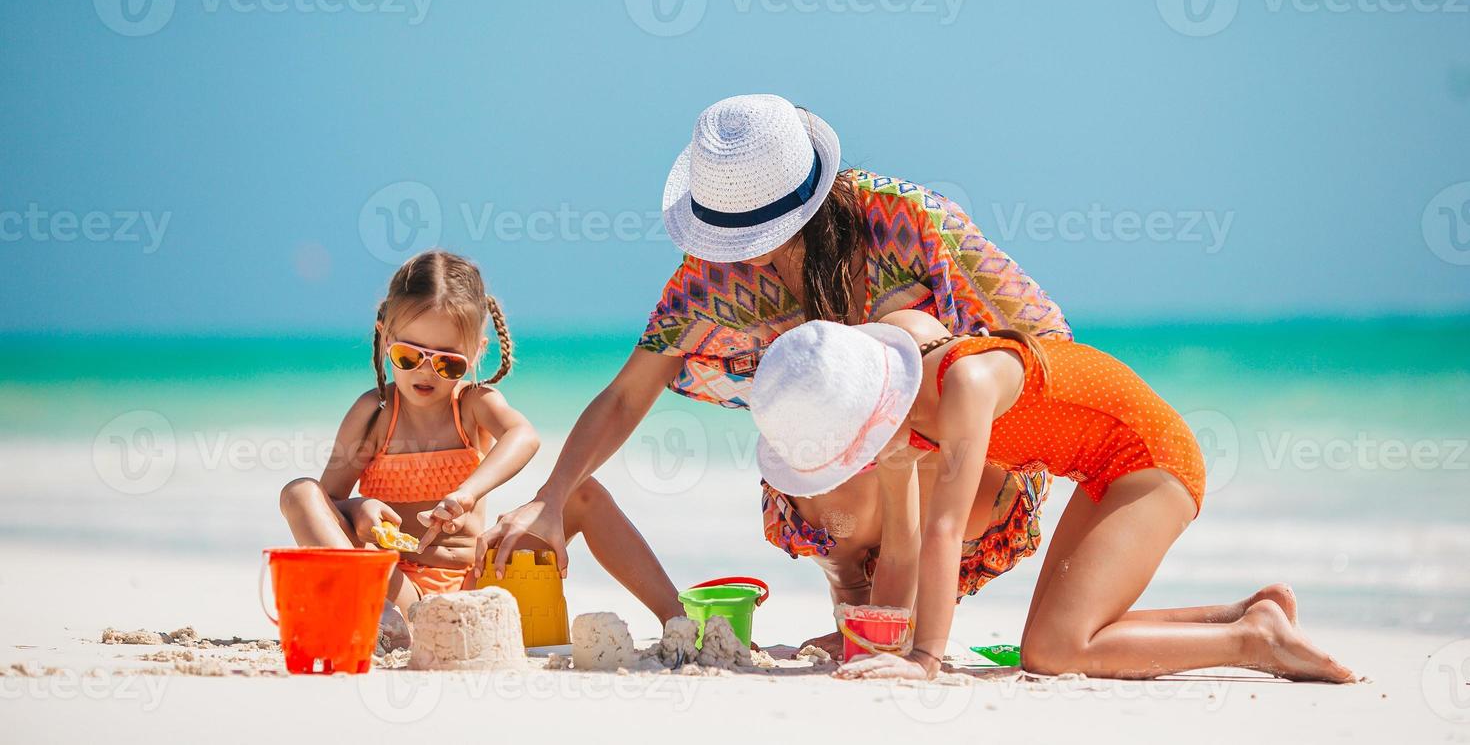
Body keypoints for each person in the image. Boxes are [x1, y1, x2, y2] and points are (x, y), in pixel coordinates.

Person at [477, 94, 1069, 640]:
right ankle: (858, 605)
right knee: (810, 439)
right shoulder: (714, 273)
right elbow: (628, 395)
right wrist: (551, 496)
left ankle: (901, 625)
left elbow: (1043, 339)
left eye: (753, 230)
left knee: (890, 392)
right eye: (725, 229)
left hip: (972, 470)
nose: (737, 248)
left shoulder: (906, 218)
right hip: (844, 492)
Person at [750, 312, 1355, 683]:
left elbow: (942, 529)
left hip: (1152, 460)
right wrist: (877, 641)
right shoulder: (900, 400)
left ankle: (1255, 642)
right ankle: (1242, 612)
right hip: (1101, 468)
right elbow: (903, 545)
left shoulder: (965, 382)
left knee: (1055, 650)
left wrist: (925, 658)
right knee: (1053, 637)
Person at [279, 250, 681, 645]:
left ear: (476, 352)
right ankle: (368, 609)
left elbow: (523, 436)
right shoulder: (373, 414)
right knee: (298, 492)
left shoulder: (471, 405)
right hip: (396, 586)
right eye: (408, 356)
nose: (426, 372)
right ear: (385, 335)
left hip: (477, 581)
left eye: (448, 363)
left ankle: (678, 620)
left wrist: (467, 493)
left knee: (584, 493)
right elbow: (327, 501)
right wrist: (358, 508)